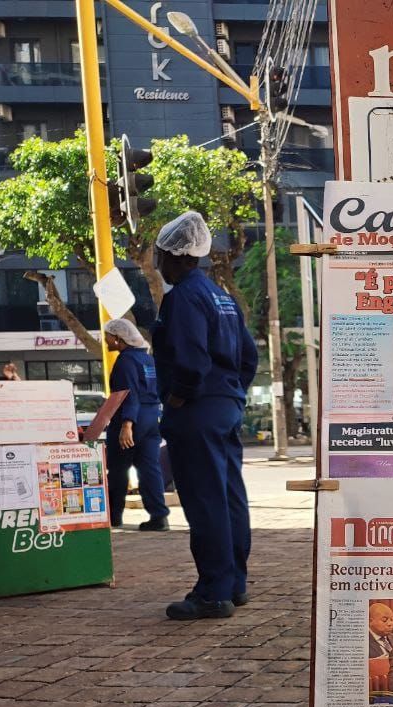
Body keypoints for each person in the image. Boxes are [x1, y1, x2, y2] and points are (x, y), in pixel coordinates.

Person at [151, 211, 258, 621]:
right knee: (229, 495)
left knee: (204, 499)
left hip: (197, 409)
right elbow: (248, 356)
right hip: (225, 405)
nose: (158, 263)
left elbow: (191, 360)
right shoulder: (221, 296)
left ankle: (213, 592)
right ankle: (234, 584)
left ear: (176, 255)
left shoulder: (182, 297)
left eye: (160, 254)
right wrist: (230, 392)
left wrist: (180, 397)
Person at [102, 318, 170, 532]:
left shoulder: (125, 361)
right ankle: (159, 516)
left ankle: (114, 516)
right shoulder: (148, 360)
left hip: (130, 420)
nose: (105, 340)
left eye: (107, 336)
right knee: (150, 468)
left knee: (118, 469)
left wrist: (127, 425)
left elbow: (128, 394)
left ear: (118, 338)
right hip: (151, 419)